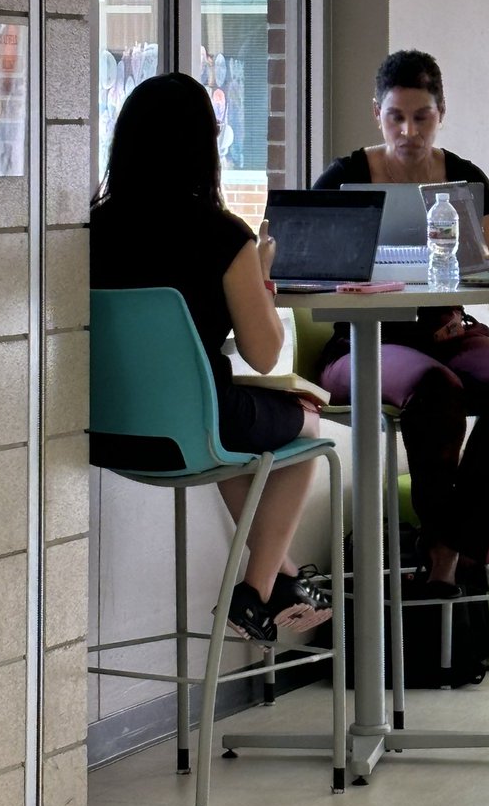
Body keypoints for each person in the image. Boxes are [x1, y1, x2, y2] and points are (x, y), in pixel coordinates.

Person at [90, 72, 332, 644]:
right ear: (205, 146)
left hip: (105, 431)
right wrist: (262, 275)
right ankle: (253, 593)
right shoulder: (225, 237)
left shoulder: (90, 228)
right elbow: (266, 353)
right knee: (306, 430)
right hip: (196, 429)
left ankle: (284, 578)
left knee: (234, 441)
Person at [314, 49, 489, 597]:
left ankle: (456, 548)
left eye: (422, 117)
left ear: (442, 114)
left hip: (448, 333)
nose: (408, 131)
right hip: (363, 344)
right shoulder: (345, 178)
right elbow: (305, 264)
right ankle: (445, 554)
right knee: (436, 389)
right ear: (377, 114)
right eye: (396, 117)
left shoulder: (464, 178)